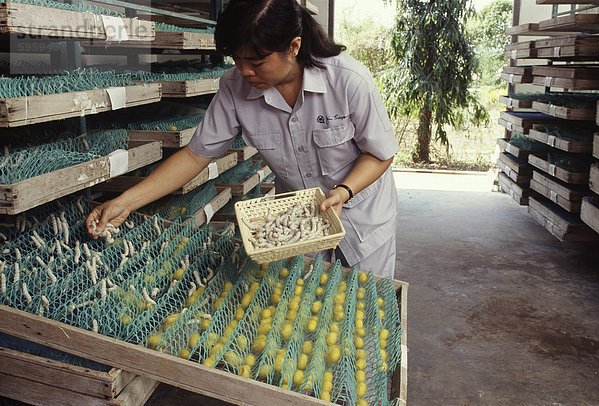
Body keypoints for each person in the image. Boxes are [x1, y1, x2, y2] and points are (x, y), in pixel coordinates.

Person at [86, 0, 399, 278]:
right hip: (300, 221)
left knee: (363, 312)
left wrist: (344, 192)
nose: (246, 71)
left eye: (257, 62)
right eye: (237, 60)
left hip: (362, 219)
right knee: (304, 307)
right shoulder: (235, 88)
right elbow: (196, 156)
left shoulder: (348, 80)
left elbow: (380, 153)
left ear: (293, 47)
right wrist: (125, 202)